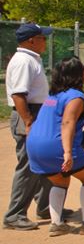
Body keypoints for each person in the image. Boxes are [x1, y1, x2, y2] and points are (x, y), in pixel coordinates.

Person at [26, 57, 84, 236]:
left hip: (35, 146)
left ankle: (57, 224)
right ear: (78, 74)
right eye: (83, 69)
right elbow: (67, 122)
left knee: (60, 180)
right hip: (56, 146)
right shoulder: (76, 97)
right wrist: (67, 152)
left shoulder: (52, 97)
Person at [4, 23, 72, 231]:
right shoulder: (24, 61)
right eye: (42, 37)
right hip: (29, 116)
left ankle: (45, 206)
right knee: (29, 167)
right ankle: (14, 215)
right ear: (31, 40)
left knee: (46, 161)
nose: (45, 40)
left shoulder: (31, 59)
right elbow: (18, 95)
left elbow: (38, 95)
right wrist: (28, 122)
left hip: (36, 114)